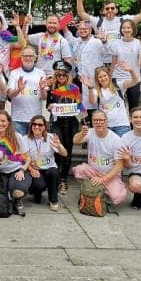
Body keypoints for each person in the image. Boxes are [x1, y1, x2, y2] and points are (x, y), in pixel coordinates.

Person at [72, 0, 141, 64]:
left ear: (116, 10)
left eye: (112, 8)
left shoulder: (124, 20)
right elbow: (81, 13)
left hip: (120, 61)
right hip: (102, 61)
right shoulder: (97, 21)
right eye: (107, 8)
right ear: (103, 11)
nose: (110, 10)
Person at [72, 110, 127, 206]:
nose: (99, 122)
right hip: (93, 170)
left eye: (101, 120)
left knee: (118, 197)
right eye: (96, 120)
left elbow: (120, 165)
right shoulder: (90, 132)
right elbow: (75, 141)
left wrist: (102, 179)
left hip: (110, 174)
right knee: (79, 170)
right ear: (92, 122)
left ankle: (103, 191)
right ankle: (91, 190)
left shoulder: (116, 140)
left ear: (106, 122)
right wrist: (82, 133)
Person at [46, 61, 84, 195]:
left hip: (71, 122)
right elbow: (48, 105)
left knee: (68, 151)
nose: (61, 77)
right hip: (57, 122)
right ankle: (55, 178)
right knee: (57, 148)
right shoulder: (52, 88)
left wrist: (79, 110)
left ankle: (63, 180)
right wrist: (50, 106)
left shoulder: (74, 88)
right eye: (58, 75)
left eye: (63, 75)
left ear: (68, 75)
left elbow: (80, 107)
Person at [0, 110, 32, 216]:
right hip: (0, 172)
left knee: (17, 191)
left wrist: (22, 170)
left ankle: (16, 198)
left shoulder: (16, 136)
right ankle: (8, 194)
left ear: (8, 122)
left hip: (16, 170)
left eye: (3, 121)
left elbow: (28, 158)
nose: (0, 124)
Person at [64, 20, 106, 122]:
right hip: (79, 80)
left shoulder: (97, 42)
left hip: (93, 80)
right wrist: (64, 22)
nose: (83, 31)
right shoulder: (77, 42)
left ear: (90, 30)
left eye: (85, 29)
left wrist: (104, 40)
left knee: (95, 108)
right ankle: (85, 128)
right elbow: (68, 36)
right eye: (81, 29)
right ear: (78, 30)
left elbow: (108, 51)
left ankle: (95, 128)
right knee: (82, 109)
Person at [86, 63, 140, 137]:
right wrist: (90, 88)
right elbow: (92, 101)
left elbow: (135, 82)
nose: (103, 78)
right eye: (100, 77)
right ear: (97, 79)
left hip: (122, 125)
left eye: (105, 75)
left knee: (122, 148)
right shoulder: (96, 91)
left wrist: (131, 71)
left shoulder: (118, 85)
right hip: (105, 126)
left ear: (109, 76)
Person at [25, 115, 66, 211]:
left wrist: (59, 146)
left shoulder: (51, 137)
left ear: (44, 126)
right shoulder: (25, 139)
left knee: (54, 172)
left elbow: (64, 154)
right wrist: (30, 169)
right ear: (31, 126)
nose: (37, 127)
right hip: (35, 169)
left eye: (40, 125)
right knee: (39, 185)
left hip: (49, 168)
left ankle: (53, 200)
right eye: (34, 124)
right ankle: (37, 194)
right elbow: (22, 158)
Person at [6, 47, 49, 136]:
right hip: (18, 119)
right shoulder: (14, 73)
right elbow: (10, 95)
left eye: (30, 56)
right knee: (19, 147)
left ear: (35, 58)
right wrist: (19, 89)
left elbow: (44, 97)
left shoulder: (41, 73)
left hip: (35, 120)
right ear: (21, 57)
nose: (28, 58)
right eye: (25, 56)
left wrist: (42, 89)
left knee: (34, 147)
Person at [108, 18, 141, 110]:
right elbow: (113, 63)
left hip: (134, 80)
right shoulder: (115, 44)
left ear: (133, 29)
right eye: (124, 27)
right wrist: (110, 78)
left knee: (134, 108)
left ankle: (133, 125)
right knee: (118, 107)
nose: (126, 30)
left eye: (128, 27)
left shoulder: (139, 44)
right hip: (118, 80)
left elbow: (140, 64)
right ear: (121, 29)